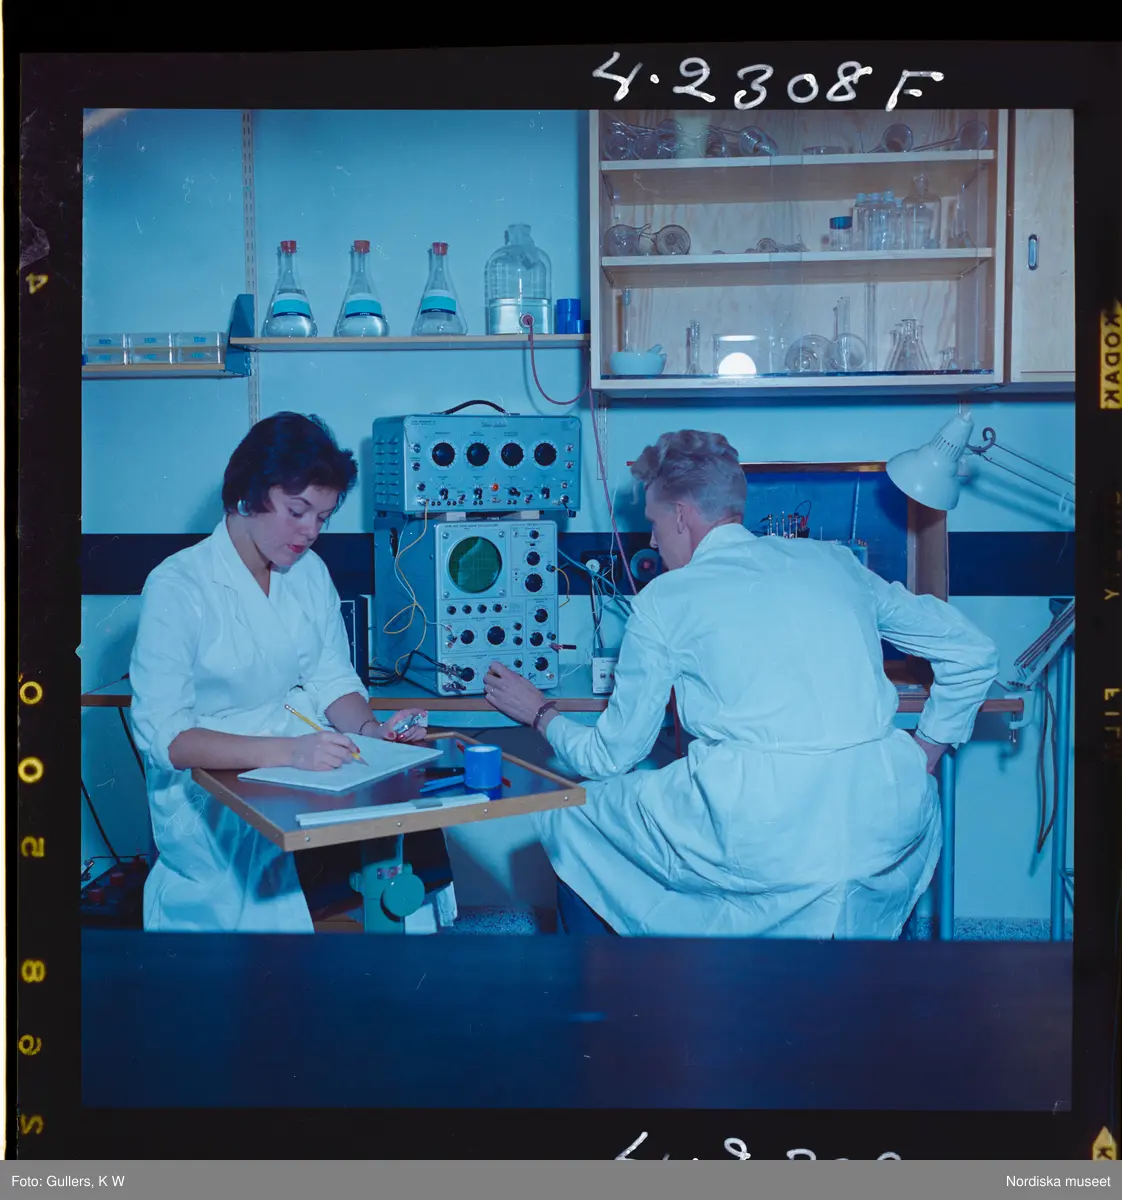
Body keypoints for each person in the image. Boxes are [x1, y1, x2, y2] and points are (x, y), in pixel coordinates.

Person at [483, 429, 1001, 938]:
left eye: (654, 524)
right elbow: (972, 650)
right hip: (885, 814)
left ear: (681, 515)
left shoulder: (666, 598)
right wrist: (926, 749)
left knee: (573, 819)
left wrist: (540, 713)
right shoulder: (834, 561)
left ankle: (613, 989)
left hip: (763, 831)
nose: (652, 541)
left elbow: (609, 758)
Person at [129, 411, 450, 933]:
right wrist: (290, 753)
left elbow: (331, 678)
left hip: (306, 764)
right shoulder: (178, 586)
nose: (310, 532)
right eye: (297, 511)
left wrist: (373, 732)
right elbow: (167, 740)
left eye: (322, 518)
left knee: (404, 851)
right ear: (248, 494)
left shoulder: (308, 573)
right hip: (214, 785)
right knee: (270, 933)